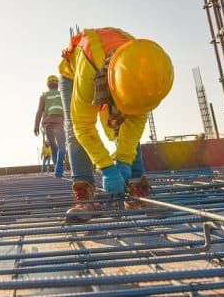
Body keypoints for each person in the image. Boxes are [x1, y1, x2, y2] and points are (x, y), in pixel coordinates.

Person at [58, 27, 173, 223]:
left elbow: (135, 123)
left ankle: (136, 187)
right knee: (73, 130)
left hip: (118, 70)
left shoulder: (145, 72)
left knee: (127, 121)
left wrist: (124, 162)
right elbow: (83, 127)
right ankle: (85, 195)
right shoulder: (88, 71)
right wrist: (108, 169)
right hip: (76, 72)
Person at [34, 75, 66, 178]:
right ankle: (59, 167)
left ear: (48, 85)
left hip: (48, 124)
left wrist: (36, 125)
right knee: (62, 147)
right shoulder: (62, 94)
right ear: (58, 84)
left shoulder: (44, 95)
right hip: (59, 122)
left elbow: (39, 111)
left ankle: (57, 167)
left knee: (53, 146)